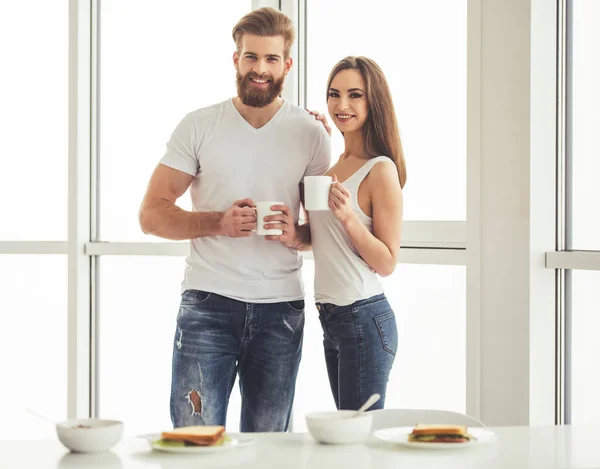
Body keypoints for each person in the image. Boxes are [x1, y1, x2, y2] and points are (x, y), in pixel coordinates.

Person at [138, 7, 330, 432]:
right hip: (208, 305)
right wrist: (218, 223)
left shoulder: (311, 134)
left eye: (271, 59)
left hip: (281, 310)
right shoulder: (199, 125)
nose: (260, 69)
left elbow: (324, 231)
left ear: (287, 64)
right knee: (195, 441)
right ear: (236, 59)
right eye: (251, 57)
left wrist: (295, 234)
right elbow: (151, 214)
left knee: (269, 450)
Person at [309, 56, 406, 411]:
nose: (342, 105)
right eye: (334, 94)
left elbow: (387, 261)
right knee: (348, 434)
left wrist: (349, 217)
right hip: (332, 317)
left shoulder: (380, 170)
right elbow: (326, 238)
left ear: (372, 101)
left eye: (355, 95)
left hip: (362, 317)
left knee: (358, 439)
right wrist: (292, 235)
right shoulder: (333, 167)